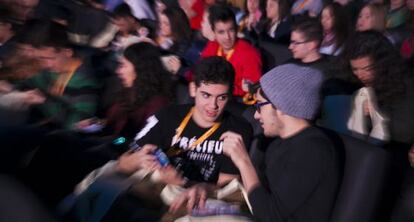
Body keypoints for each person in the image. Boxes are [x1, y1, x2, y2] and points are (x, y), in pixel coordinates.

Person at [71, 56, 253, 221]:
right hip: (153, 184)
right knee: (100, 184)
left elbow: (228, 186)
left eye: (221, 98)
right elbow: (123, 163)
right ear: (193, 89)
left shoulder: (238, 129)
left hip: (197, 196)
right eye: (206, 95)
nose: (213, 106)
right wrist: (138, 159)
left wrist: (185, 183)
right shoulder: (167, 116)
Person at [172, 63, 342, 222]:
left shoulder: (313, 150)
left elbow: (270, 216)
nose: (256, 115)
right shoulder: (276, 142)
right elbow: (254, 194)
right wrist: (207, 189)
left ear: (281, 106)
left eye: (260, 106)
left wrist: (244, 162)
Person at [201, 4, 262, 99]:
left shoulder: (249, 54)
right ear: (214, 32)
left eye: (231, 30)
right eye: (221, 32)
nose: (227, 37)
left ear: (237, 29)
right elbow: (201, 72)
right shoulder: (212, 46)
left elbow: (253, 93)